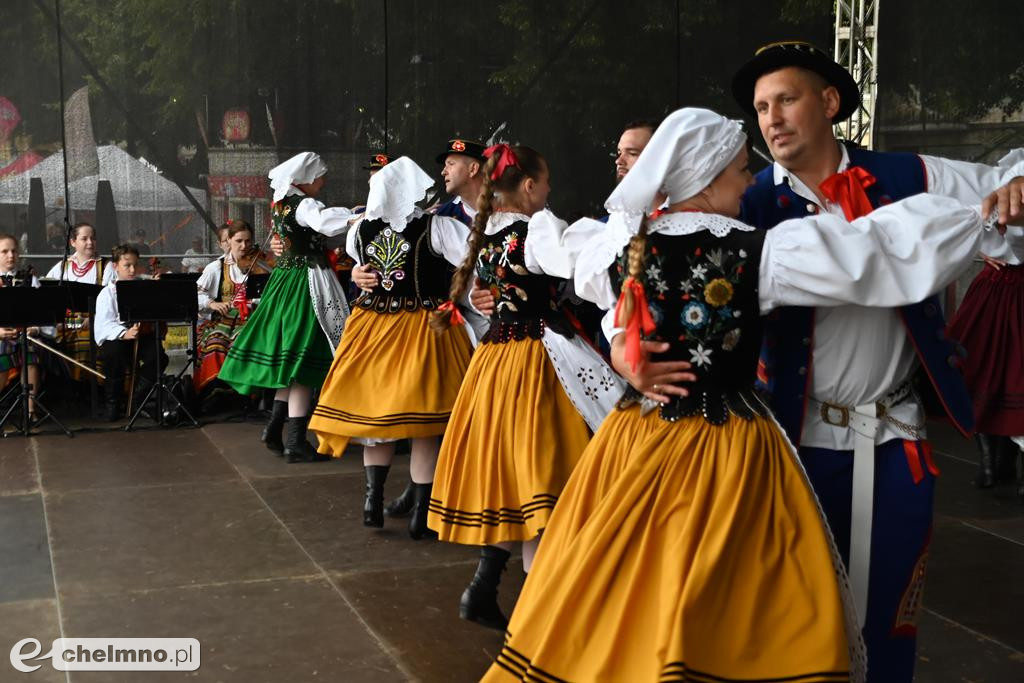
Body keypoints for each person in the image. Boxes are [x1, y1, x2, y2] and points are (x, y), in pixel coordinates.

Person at [482, 107, 992, 683]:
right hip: (728, 445)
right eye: (742, 170)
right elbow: (869, 255)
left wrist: (626, 350)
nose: (750, 182)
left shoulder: (633, 245)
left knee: (635, 576)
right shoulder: (758, 252)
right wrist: (979, 218)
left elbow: (618, 311)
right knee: (740, 589)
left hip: (638, 438)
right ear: (707, 178)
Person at [726, 41, 1024, 681]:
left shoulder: (908, 176)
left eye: (787, 99)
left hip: (895, 440)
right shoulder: (743, 206)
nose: (772, 118)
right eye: (761, 108)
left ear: (829, 102)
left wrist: (1019, 184)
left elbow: (1007, 184)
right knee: (794, 618)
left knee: (890, 612)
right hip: (791, 443)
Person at [427, 144, 623, 632]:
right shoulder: (536, 228)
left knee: (518, 480)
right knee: (545, 486)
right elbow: (577, 263)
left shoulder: (485, 232)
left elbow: (495, 289)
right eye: (547, 181)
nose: (551, 190)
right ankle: (533, 623)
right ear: (530, 186)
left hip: (496, 362)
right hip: (537, 362)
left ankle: (484, 587)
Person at [308, 157, 474, 538]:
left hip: (371, 327)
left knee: (374, 422)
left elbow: (360, 263)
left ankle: (372, 502)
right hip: (421, 328)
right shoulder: (438, 227)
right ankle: (421, 517)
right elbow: (473, 262)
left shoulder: (359, 230)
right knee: (424, 425)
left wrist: (357, 271)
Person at [360, 138, 488, 522]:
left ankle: (399, 499)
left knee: (396, 416)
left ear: (475, 168)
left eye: (452, 163)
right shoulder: (441, 219)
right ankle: (421, 503)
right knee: (426, 418)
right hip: (434, 322)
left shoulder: (502, 209)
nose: (444, 171)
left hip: (443, 319)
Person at [217, 152, 351, 462]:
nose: (323, 181)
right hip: (306, 283)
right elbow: (324, 223)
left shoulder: (282, 203)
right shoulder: (305, 204)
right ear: (306, 179)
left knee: (291, 360)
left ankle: (276, 427)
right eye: (320, 176)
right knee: (304, 359)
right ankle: (294, 442)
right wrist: (357, 216)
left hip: (286, 281)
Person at [193, 220, 272, 405]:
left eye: (248, 241)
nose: (244, 246)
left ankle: (247, 394)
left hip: (252, 319)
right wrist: (212, 304)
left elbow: (271, 296)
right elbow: (195, 295)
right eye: (239, 241)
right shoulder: (216, 268)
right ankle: (217, 390)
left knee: (246, 341)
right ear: (228, 240)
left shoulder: (260, 265)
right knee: (216, 343)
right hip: (223, 321)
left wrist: (255, 301)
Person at [93, 244, 169, 421]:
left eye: (135, 265)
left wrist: (157, 291)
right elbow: (104, 324)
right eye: (127, 265)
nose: (132, 270)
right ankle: (113, 403)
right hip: (118, 337)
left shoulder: (144, 286)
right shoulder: (107, 293)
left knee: (158, 357)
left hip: (141, 335)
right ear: (115, 266)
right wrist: (123, 333)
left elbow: (157, 312)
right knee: (114, 353)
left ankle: (137, 400)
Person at [43, 222, 116, 382]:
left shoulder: (106, 266)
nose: (90, 242)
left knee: (86, 339)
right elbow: (47, 291)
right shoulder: (62, 266)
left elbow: (110, 300)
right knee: (52, 339)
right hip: (68, 321)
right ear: (73, 242)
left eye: (93, 238)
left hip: (95, 320)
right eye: (84, 239)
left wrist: (93, 319)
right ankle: (65, 387)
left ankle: (90, 388)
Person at [0, 233, 49, 422]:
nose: (10, 255)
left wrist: (34, 328)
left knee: (31, 354)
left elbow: (42, 313)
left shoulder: (30, 281)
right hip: (1, 337)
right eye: (4, 251)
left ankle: (30, 411)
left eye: (13, 251)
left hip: (24, 335)